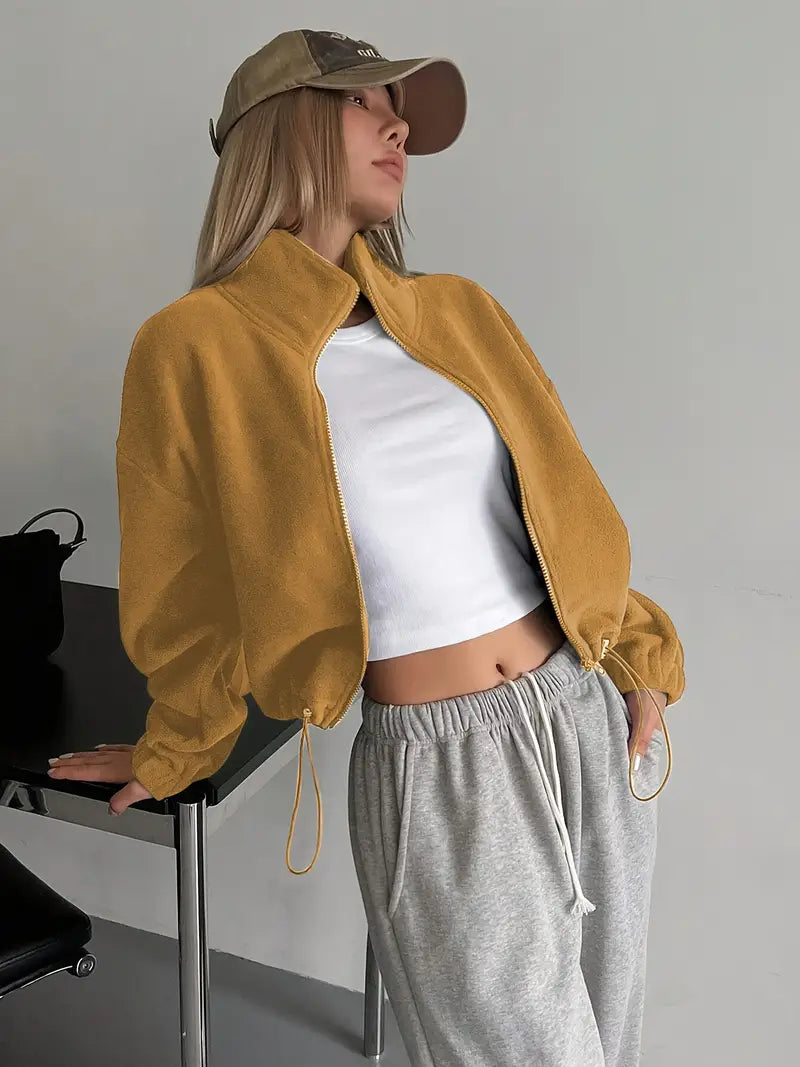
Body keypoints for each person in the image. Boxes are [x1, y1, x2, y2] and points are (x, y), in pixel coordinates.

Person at [48, 29, 685, 1067]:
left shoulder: (458, 310)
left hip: (585, 718)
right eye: (366, 103)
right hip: (440, 766)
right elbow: (190, 589)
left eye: (402, 114)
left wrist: (638, 660)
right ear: (282, 126)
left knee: (610, 1046)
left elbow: (567, 512)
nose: (399, 129)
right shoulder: (196, 347)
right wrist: (178, 746)